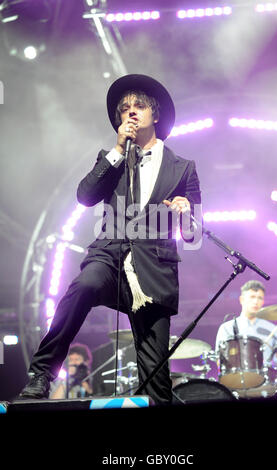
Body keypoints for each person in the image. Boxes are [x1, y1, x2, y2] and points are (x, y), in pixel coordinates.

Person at [17, 74, 202, 405]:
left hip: (153, 274)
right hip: (109, 257)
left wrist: (187, 211)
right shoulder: (112, 157)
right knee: (85, 284)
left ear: (155, 115)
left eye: (139, 106)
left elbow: (194, 234)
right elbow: (85, 197)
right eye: (124, 109)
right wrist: (117, 151)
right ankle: (42, 373)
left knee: (155, 383)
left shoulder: (182, 168)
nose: (130, 113)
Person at [215, 280, 277, 397]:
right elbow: (219, 360)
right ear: (242, 300)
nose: (256, 301)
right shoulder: (227, 327)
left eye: (260, 298)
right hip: (237, 383)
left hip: (269, 384)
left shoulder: (271, 328)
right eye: (252, 297)